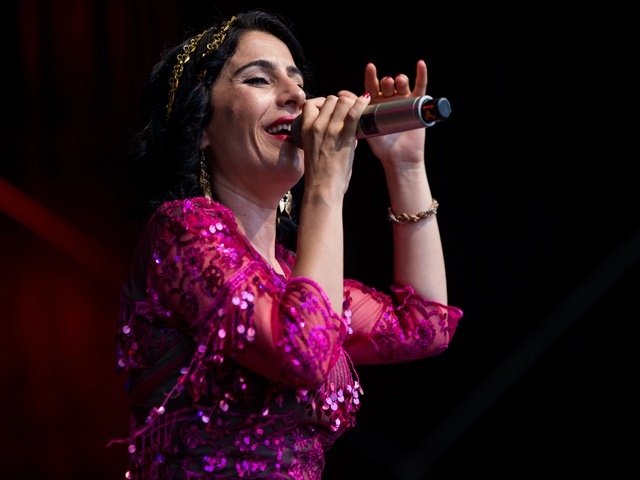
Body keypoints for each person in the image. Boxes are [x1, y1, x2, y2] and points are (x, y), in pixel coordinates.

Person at [111, 8, 463, 479]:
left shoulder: (288, 274)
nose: (297, 95)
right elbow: (302, 351)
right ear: (201, 127)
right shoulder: (182, 232)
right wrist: (325, 184)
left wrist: (406, 168)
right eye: (259, 79)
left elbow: (425, 326)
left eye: (298, 82)